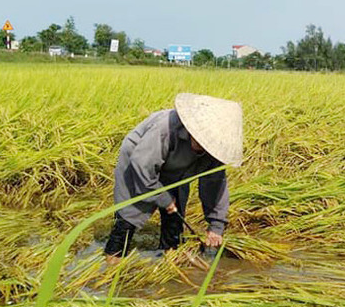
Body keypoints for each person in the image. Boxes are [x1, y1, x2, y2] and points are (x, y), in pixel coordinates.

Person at [104, 93, 243, 264]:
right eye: (199, 140)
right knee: (129, 215)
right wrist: (163, 198)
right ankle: (113, 261)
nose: (202, 146)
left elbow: (214, 186)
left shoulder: (215, 150)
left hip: (176, 169)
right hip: (139, 162)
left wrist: (216, 225)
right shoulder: (164, 128)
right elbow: (143, 166)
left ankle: (170, 256)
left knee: (175, 214)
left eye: (206, 144)